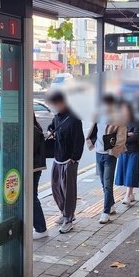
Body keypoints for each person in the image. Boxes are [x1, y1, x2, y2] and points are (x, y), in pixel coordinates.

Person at [47, 92, 84, 234]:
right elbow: (52, 127)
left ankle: (69, 218)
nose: (55, 106)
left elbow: (78, 141)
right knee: (56, 187)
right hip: (57, 157)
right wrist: (51, 130)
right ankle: (64, 212)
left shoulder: (74, 119)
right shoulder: (57, 117)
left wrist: (74, 159)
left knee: (69, 190)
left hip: (69, 160)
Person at [87, 94, 127, 224]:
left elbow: (121, 138)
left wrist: (112, 151)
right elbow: (93, 132)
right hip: (99, 153)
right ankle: (111, 205)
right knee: (104, 183)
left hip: (110, 154)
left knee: (108, 183)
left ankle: (105, 212)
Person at [115, 102, 139, 206]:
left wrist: (124, 136)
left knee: (131, 172)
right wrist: (128, 134)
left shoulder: (136, 121)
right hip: (123, 150)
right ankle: (131, 194)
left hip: (134, 150)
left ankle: (127, 195)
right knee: (125, 173)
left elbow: (137, 136)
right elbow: (117, 135)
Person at [33, 113, 48, 239]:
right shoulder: (34, 128)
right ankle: (39, 227)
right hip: (34, 167)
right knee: (32, 197)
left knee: (32, 198)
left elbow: (29, 150)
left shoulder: (32, 130)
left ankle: (41, 228)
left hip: (33, 168)